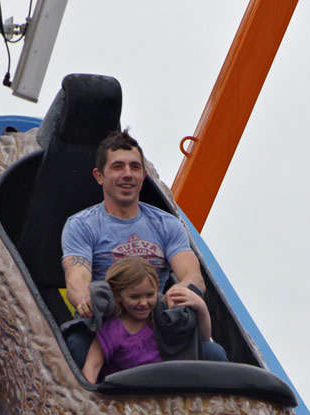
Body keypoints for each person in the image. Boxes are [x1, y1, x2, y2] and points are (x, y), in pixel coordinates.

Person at [61, 129, 225, 365]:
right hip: (110, 322)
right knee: (77, 345)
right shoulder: (82, 225)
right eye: (118, 167)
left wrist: (178, 294)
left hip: (154, 321)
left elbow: (192, 276)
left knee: (213, 354)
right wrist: (85, 300)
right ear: (99, 176)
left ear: (143, 175)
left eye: (135, 167)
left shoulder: (166, 224)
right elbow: (77, 276)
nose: (127, 174)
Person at [82, 258, 211, 383]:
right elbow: (92, 367)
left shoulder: (165, 316)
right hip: (128, 392)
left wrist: (201, 307)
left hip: (168, 388)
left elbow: (202, 339)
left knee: (212, 350)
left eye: (150, 295)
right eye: (134, 297)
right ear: (118, 295)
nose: (144, 303)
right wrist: (88, 395)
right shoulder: (112, 330)